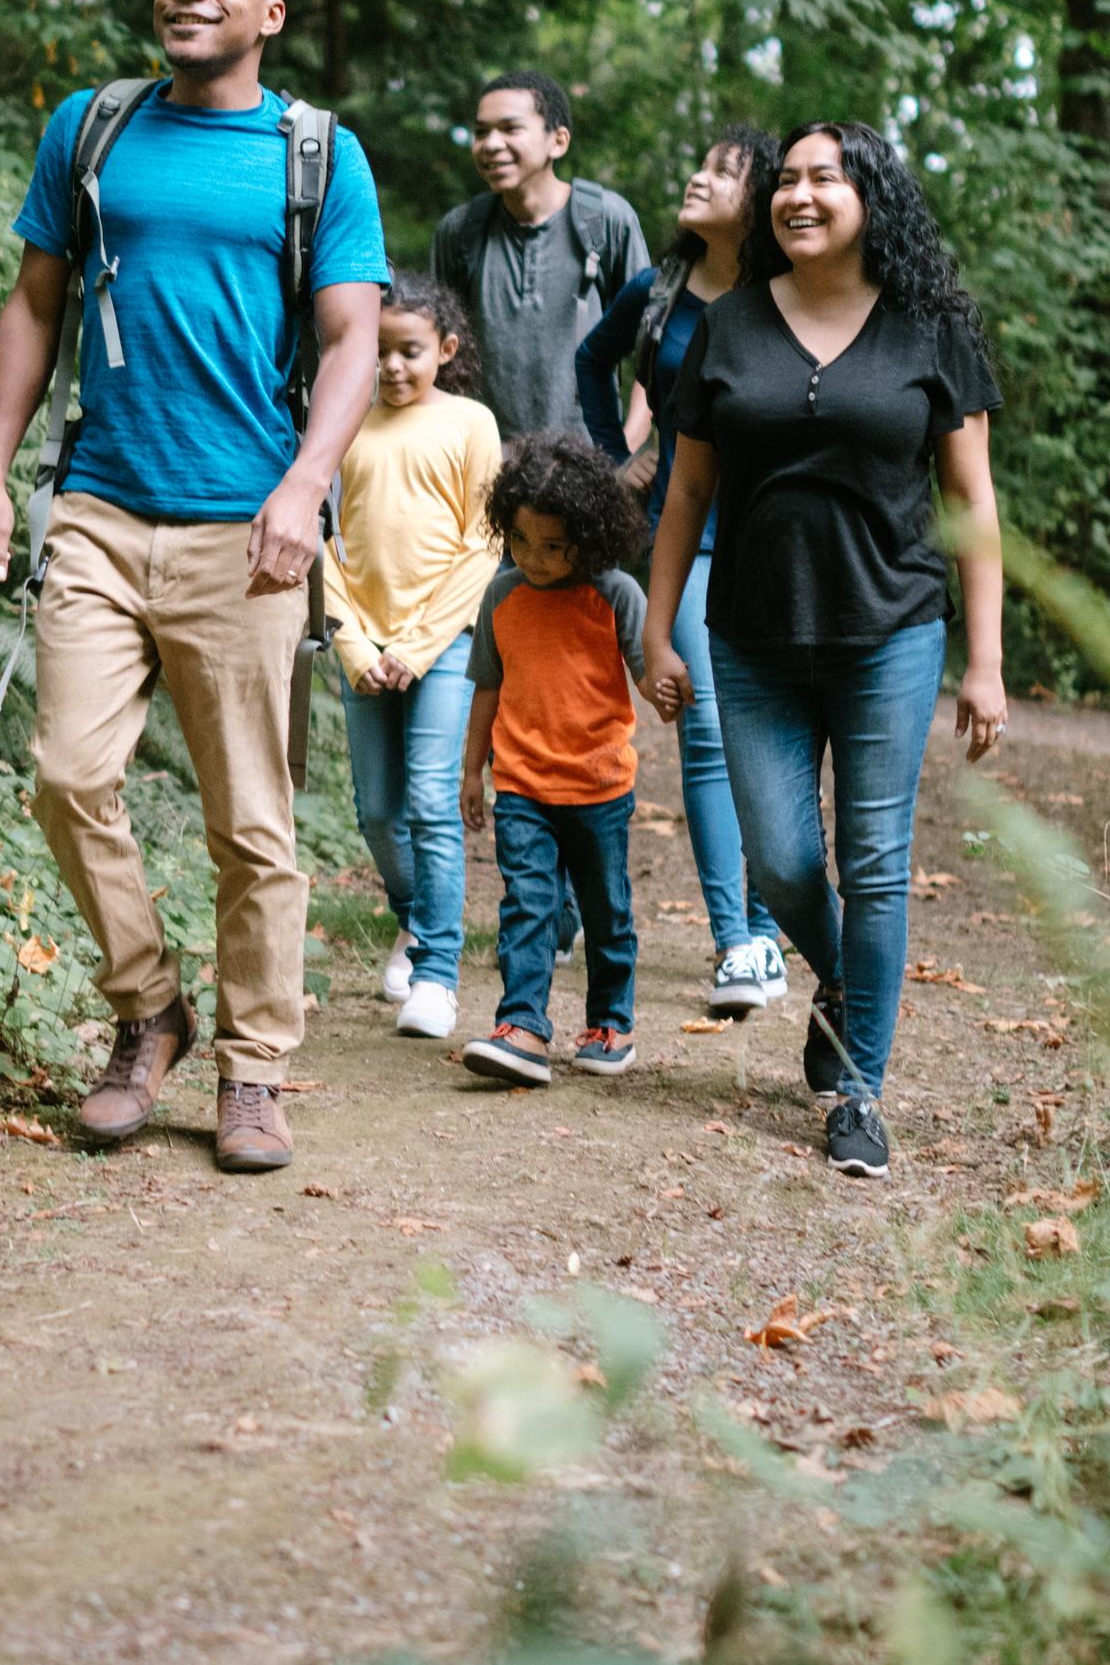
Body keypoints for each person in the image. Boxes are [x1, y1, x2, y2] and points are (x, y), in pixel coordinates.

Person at [0, 0, 388, 1174]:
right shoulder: (93, 128)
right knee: (66, 775)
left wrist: (306, 487)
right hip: (98, 507)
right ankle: (149, 1010)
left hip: (246, 530)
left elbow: (353, 338)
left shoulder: (318, 156)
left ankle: (256, 1070)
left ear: (271, 16)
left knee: (252, 826)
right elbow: (37, 301)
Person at [643, 120, 1007, 1183]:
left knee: (878, 863)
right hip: (751, 634)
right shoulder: (729, 325)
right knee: (783, 861)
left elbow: (973, 504)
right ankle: (847, 981)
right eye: (786, 182)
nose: (799, 196)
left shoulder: (931, 328)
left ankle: (860, 1093)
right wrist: (658, 630)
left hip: (890, 630)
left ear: (870, 198)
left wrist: (982, 662)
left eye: (825, 179)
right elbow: (688, 493)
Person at [574, 125, 792, 1024]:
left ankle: (776, 923)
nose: (697, 178)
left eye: (720, 171)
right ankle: (736, 936)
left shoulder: (789, 292)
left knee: (778, 731)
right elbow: (594, 361)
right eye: (697, 163)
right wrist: (609, 459)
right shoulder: (661, 289)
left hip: (778, 536)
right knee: (702, 721)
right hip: (684, 530)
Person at [324, 270, 501, 1044]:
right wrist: (356, 642)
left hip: (444, 646)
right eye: (381, 352)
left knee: (432, 804)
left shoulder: (470, 423)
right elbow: (319, 540)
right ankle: (418, 922)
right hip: (360, 645)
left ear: (446, 349)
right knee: (377, 811)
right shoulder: (342, 422)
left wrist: (420, 647)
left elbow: (483, 540)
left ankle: (437, 976)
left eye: (411, 352)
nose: (393, 367)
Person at [456, 436, 651, 1088]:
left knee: (605, 909)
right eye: (520, 541)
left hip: (598, 785)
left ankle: (610, 1022)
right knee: (528, 904)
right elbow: (487, 685)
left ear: (589, 538)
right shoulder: (502, 596)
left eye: (553, 546)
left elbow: (652, 673)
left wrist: (676, 693)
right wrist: (469, 771)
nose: (533, 559)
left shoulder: (616, 594)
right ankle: (523, 1026)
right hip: (521, 786)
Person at [429, 71, 649, 439]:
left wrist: (623, 451)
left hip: (587, 461)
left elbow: (653, 345)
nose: (490, 144)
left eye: (510, 129)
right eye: (481, 132)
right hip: (486, 461)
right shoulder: (460, 231)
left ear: (558, 141)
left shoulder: (606, 220)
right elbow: (432, 354)